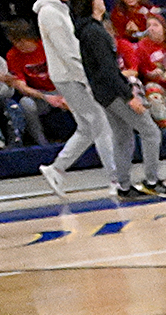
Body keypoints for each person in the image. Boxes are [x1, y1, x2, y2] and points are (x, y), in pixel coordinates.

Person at [76, 0, 166, 202]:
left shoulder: (89, 29)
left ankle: (124, 186)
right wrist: (129, 96)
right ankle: (152, 182)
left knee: (123, 137)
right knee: (151, 132)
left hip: (103, 92)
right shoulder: (94, 32)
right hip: (113, 92)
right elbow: (108, 70)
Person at [33, 0, 112, 197]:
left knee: (87, 128)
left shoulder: (59, 9)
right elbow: (67, 53)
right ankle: (116, 179)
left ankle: (57, 168)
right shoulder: (50, 12)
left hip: (69, 76)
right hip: (70, 77)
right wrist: (87, 79)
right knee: (100, 123)